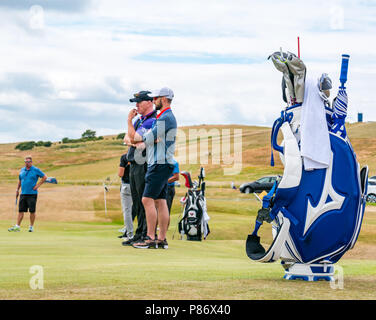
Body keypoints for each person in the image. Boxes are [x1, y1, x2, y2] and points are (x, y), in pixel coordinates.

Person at [127, 87, 177, 249]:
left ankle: (150, 238)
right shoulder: (164, 117)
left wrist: (133, 131)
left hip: (159, 163)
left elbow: (144, 138)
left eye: (156, 98)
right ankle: (161, 239)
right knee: (160, 201)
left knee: (146, 199)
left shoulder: (165, 118)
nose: (154, 100)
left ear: (163, 99)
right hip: (163, 162)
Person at [121, 91, 157, 246]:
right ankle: (139, 233)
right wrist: (133, 140)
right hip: (134, 163)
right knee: (136, 201)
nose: (136, 105)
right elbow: (127, 138)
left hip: (143, 163)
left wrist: (129, 121)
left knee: (143, 200)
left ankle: (144, 234)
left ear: (149, 102)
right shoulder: (141, 120)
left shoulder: (151, 120)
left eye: (139, 102)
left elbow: (135, 138)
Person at [8, 156, 47, 232]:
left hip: (32, 194)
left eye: (28, 161)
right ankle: (17, 226)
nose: (27, 163)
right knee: (21, 211)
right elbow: (20, 180)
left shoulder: (35, 170)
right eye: (26, 161)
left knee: (32, 211)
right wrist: (17, 190)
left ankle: (31, 227)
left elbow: (44, 177)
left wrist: (37, 185)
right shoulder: (22, 170)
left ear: (31, 162)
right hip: (23, 193)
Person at [118, 153, 133, 240]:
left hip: (127, 185)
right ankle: (142, 233)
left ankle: (129, 234)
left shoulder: (125, 157)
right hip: (139, 185)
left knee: (127, 210)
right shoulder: (143, 155)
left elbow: (120, 174)